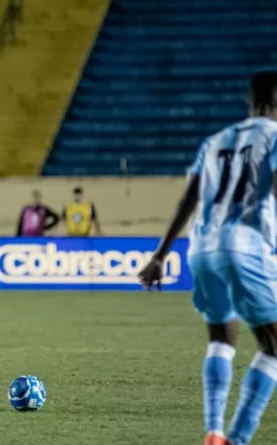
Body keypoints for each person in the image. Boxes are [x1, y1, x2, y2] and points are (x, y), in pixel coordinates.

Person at [138, 71, 277, 445]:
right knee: (274, 348)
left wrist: (159, 256)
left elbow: (189, 198)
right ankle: (239, 438)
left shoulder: (215, 141)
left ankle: (214, 431)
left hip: (203, 248)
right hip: (246, 244)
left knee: (222, 340)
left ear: (251, 102)